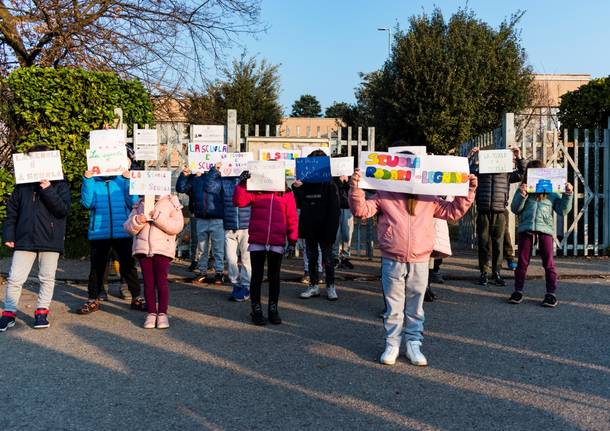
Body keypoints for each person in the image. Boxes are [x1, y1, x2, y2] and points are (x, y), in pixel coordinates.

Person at [350, 168, 477, 366]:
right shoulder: (385, 193)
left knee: (415, 305)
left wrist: (468, 191)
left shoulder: (428, 196)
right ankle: (392, 343)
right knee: (393, 305)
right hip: (392, 257)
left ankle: (413, 343)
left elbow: (452, 212)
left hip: (420, 258)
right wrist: (356, 188)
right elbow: (361, 211)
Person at [0, 146, 71, 332]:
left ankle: (41, 312)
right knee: (15, 278)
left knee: (46, 278)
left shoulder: (60, 184)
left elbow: (62, 210)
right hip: (24, 239)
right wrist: (8, 234)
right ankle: (8, 314)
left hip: (50, 239)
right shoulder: (22, 186)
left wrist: (48, 189)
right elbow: (12, 213)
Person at [233, 170, 298, 325]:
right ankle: (256, 309)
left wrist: (293, 238)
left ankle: (273, 309)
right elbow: (238, 201)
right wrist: (242, 184)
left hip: (276, 240)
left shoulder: (286, 194)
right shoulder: (256, 190)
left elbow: (292, 217)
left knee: (274, 277)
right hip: (258, 239)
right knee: (257, 276)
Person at [78, 168, 145, 314]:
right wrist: (87, 180)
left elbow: (134, 203)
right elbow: (87, 203)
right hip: (99, 233)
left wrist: (128, 181)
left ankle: (137, 297)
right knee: (97, 267)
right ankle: (93, 298)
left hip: (122, 232)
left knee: (128, 266)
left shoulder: (122, 180)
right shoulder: (93, 181)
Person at [508, 160, 573, 307]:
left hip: (545, 229)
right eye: (532, 173)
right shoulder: (524, 189)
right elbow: (515, 209)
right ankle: (518, 291)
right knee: (522, 263)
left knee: (549, 263)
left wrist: (568, 194)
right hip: (526, 228)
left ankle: (551, 294)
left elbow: (562, 210)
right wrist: (522, 194)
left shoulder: (551, 191)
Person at [124, 194, 184, 328]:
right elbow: (127, 227)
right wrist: (138, 220)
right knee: (148, 283)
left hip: (162, 249)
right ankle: (151, 313)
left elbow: (177, 226)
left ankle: (162, 313)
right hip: (143, 249)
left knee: (161, 282)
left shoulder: (171, 201)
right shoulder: (140, 202)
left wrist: (157, 216)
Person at [469, 146, 526, 287]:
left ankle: (496, 273)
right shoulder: (480, 173)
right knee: (483, 243)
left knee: (498, 244)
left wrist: (519, 157)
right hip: (483, 211)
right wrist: (471, 156)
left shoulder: (506, 174)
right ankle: (483, 273)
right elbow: (466, 173)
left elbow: (522, 173)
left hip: (500, 212)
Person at [292, 150, 341, 301]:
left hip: (326, 225)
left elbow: (335, 208)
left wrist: (331, 229)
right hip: (310, 224)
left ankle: (330, 286)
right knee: (312, 257)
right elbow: (300, 203)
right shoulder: (305, 182)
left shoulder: (330, 184)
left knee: (328, 257)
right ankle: (313, 286)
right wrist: (297, 188)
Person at [207, 165, 252, 302]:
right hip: (229, 225)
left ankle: (246, 286)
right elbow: (209, 188)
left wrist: (247, 178)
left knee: (246, 258)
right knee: (231, 259)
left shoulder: (249, 180)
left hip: (246, 225)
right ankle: (235, 284)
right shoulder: (223, 181)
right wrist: (215, 171)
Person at [176, 166, 225, 285]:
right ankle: (202, 272)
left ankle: (219, 273)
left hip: (217, 217)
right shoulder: (195, 178)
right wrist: (184, 175)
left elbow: (211, 186)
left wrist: (214, 171)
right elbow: (181, 188)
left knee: (218, 248)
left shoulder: (220, 178)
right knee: (202, 248)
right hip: (201, 217)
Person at [333, 175, 354, 269]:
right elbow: (333, 190)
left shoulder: (350, 177)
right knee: (335, 234)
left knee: (347, 234)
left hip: (347, 207)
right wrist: (339, 181)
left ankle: (345, 256)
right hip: (335, 207)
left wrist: (346, 182)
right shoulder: (333, 177)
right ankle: (335, 257)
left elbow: (352, 191)